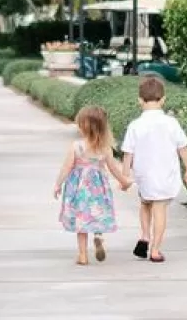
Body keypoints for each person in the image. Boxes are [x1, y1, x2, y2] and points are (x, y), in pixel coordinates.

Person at [120, 75, 187, 263]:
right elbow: (182, 147)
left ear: (140, 100)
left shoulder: (135, 125)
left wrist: (125, 176)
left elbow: (128, 153)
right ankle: (155, 250)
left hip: (144, 175)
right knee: (159, 209)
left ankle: (145, 236)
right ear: (163, 100)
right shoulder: (171, 123)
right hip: (164, 174)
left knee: (145, 204)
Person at [54, 104, 132, 265]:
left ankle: (83, 255)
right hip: (98, 188)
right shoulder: (105, 148)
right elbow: (113, 169)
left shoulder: (77, 146)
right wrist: (124, 181)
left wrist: (58, 184)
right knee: (97, 213)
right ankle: (98, 235)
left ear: (83, 126)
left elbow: (66, 167)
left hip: (79, 189)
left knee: (82, 221)